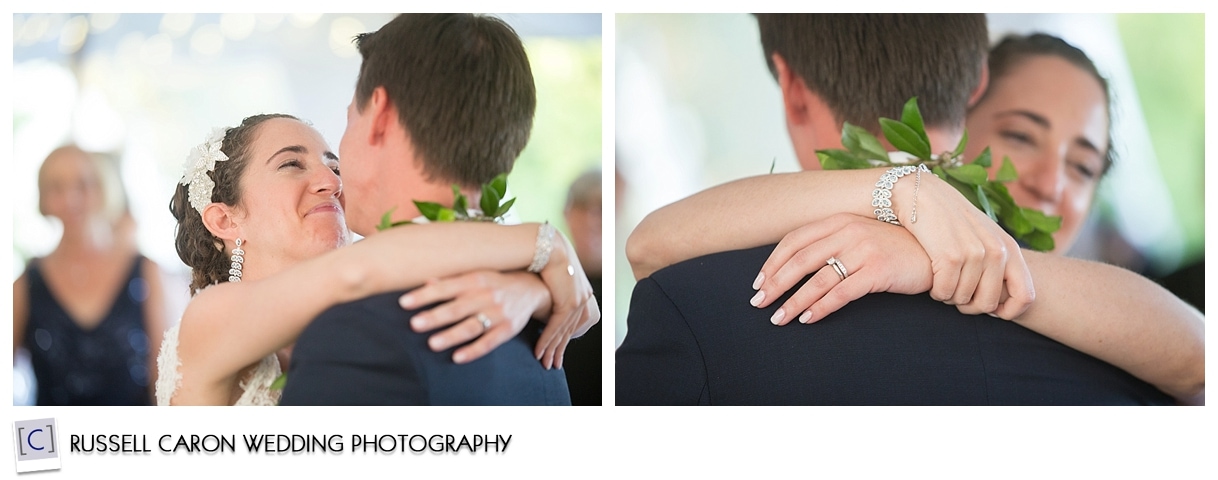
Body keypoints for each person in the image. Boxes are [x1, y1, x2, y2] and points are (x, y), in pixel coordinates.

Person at [617, 14, 1202, 405]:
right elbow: (650, 242)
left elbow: (1200, 358)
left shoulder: (1131, 341)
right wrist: (901, 189)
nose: (1051, 183)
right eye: (1022, 136)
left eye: (1083, 166)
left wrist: (935, 258)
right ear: (972, 98)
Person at [157, 112, 593, 406]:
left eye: (334, 166)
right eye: (292, 164)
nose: (330, 181)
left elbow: (583, 308)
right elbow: (360, 270)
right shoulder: (208, 320)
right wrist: (547, 244)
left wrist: (529, 290)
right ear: (224, 219)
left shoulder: (368, 284)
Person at [279, 13, 598, 405]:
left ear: (379, 114)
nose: (332, 176)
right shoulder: (542, 317)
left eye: (350, 120)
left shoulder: (359, 332)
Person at [14, 145, 167, 405]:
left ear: (103, 190)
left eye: (83, 184)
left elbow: (164, 381)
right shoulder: (25, 285)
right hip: (50, 442)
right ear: (43, 199)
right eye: (57, 187)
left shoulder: (146, 273)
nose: (71, 199)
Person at [560, 168, 603, 405]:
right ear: (567, 213)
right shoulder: (551, 283)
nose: (592, 219)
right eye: (583, 206)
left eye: (602, 209)